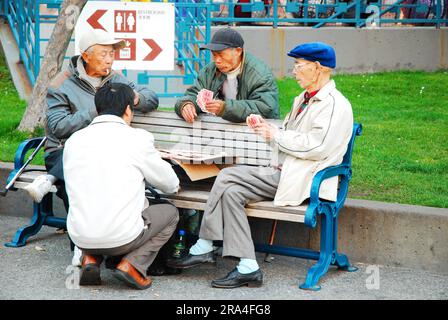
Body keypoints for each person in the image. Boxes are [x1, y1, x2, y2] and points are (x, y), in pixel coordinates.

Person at [167, 42, 354, 289]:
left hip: (305, 177)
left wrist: (274, 135)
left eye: (298, 66)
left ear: (318, 68)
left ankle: (205, 245)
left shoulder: (333, 104)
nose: (294, 72)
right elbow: (289, 136)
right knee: (232, 192)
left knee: (227, 176)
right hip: (283, 170)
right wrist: (268, 129)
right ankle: (248, 267)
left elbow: (316, 146)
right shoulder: (305, 99)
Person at [64, 83, 180, 290]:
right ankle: (133, 265)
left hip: (79, 236)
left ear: (98, 109)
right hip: (122, 238)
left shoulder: (74, 140)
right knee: (170, 212)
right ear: (128, 109)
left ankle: (89, 258)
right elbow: (170, 184)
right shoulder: (137, 138)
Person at [24, 29, 158, 206]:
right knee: (80, 181)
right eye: (103, 54)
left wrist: (136, 98)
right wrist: (100, 110)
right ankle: (81, 227)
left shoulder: (116, 79)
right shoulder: (61, 84)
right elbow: (58, 127)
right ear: (86, 57)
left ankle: (51, 179)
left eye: (112, 53)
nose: (109, 59)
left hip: (105, 150)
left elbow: (151, 98)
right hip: (63, 151)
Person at [174, 27, 279, 123]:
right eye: (214, 55)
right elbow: (194, 93)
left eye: (221, 55)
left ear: (238, 51)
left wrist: (225, 108)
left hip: (254, 132)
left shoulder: (259, 73)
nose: (217, 61)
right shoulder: (209, 71)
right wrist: (187, 104)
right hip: (217, 131)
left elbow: (265, 107)